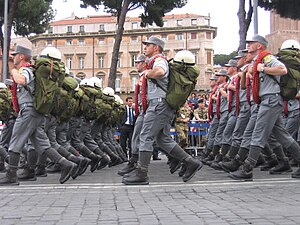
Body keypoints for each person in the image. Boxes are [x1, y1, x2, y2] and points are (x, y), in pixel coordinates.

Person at [122, 36, 202, 185]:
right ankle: (191, 162)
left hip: (158, 105)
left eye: (148, 45)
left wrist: (147, 73)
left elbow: (160, 72)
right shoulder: (155, 60)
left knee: (145, 136)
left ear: (156, 47)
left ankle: (142, 173)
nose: (145, 47)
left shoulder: (159, 60)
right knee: (162, 139)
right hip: (161, 105)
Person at [0, 45, 77, 185]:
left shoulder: (26, 69)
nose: (13, 57)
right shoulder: (34, 70)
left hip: (28, 111)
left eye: (15, 55)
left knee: (15, 142)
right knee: (42, 144)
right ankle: (66, 164)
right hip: (36, 112)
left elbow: (22, 80)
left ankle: (11, 175)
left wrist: (13, 71)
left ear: (22, 56)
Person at [229, 34, 300, 181]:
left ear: (259, 46)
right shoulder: (258, 60)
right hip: (269, 100)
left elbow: (282, 70)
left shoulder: (266, 58)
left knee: (258, 134)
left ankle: (247, 168)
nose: (248, 46)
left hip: (271, 100)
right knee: (283, 137)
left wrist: (263, 69)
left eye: (251, 43)